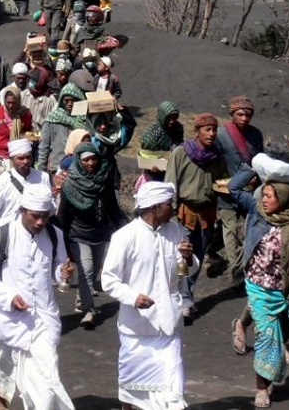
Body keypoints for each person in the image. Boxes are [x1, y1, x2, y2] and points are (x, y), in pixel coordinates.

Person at [229, 164, 289, 408]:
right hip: (258, 285)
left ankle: (267, 367)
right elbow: (234, 187)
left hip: (285, 290)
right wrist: (253, 166)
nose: (264, 200)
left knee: (282, 336)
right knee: (266, 337)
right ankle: (261, 389)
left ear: (282, 198)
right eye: (263, 195)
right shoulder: (256, 213)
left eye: (269, 196)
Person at [0, 184, 75, 410]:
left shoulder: (54, 234)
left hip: (43, 318)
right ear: (23, 211)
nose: (41, 222)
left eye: (45, 217)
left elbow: (58, 266)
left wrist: (63, 273)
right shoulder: (4, 235)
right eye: (36, 217)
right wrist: (9, 297)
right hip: (9, 319)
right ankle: (1, 403)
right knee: (5, 364)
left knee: (46, 370)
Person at [101, 182, 197, 410]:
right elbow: (108, 279)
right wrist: (133, 297)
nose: (172, 208)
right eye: (168, 204)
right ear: (154, 207)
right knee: (131, 392)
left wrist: (189, 257)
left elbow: (187, 270)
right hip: (136, 330)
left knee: (173, 393)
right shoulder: (125, 236)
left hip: (167, 327)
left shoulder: (175, 232)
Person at [57, 141, 127, 328]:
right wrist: (60, 242)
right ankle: (89, 311)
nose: (91, 163)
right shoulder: (69, 186)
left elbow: (113, 209)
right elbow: (62, 216)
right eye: (86, 160)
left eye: (94, 159)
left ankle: (81, 301)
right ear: (79, 161)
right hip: (77, 236)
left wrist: (128, 227)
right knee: (86, 270)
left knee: (93, 272)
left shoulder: (103, 182)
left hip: (100, 234)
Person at [164, 113, 227, 317]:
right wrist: (170, 214)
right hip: (185, 213)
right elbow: (170, 185)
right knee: (182, 257)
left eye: (214, 129)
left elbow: (222, 180)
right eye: (207, 129)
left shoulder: (217, 155)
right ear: (197, 131)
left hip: (207, 214)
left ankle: (187, 296)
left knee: (197, 258)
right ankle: (177, 299)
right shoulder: (181, 153)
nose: (211, 133)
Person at [216, 96, 265, 281]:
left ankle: (249, 264)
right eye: (240, 114)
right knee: (230, 230)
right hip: (225, 189)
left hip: (250, 190)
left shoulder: (256, 135)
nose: (244, 118)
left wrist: (257, 181)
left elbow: (261, 162)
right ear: (232, 114)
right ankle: (237, 271)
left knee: (253, 226)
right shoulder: (220, 134)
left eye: (248, 115)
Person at [0, 138, 55, 232]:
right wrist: (6, 231)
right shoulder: (1, 182)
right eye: (20, 158)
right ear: (12, 160)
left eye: (28, 157)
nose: (25, 161)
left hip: (38, 234)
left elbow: (51, 207)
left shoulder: (43, 177)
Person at [0, 85, 33, 184]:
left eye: (13, 103)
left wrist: (21, 135)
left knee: (14, 185)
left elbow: (28, 132)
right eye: (8, 102)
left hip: (16, 155)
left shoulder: (25, 114)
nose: (10, 106)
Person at [37, 84, 85, 173]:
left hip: (79, 169)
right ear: (61, 101)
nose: (70, 104)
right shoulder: (52, 119)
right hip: (57, 168)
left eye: (73, 101)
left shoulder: (84, 120)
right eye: (66, 101)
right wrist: (41, 172)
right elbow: (44, 148)